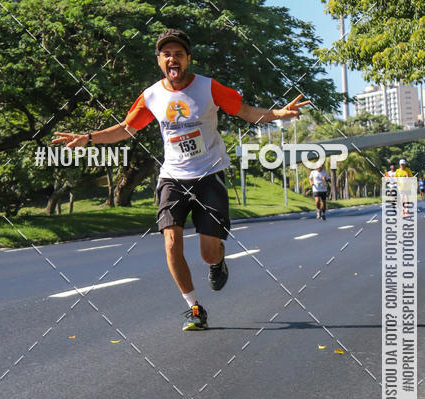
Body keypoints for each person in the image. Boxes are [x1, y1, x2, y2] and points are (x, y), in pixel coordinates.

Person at [52, 28, 310, 331]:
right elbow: (125, 129)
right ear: (159, 60)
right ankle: (194, 308)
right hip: (173, 178)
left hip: (209, 174)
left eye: (178, 54)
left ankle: (217, 262)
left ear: (188, 59)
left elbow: (245, 112)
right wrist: (88, 138)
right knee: (171, 241)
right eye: (166, 54)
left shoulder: (209, 88)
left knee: (207, 252)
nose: (172, 59)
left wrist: (278, 113)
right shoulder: (152, 96)